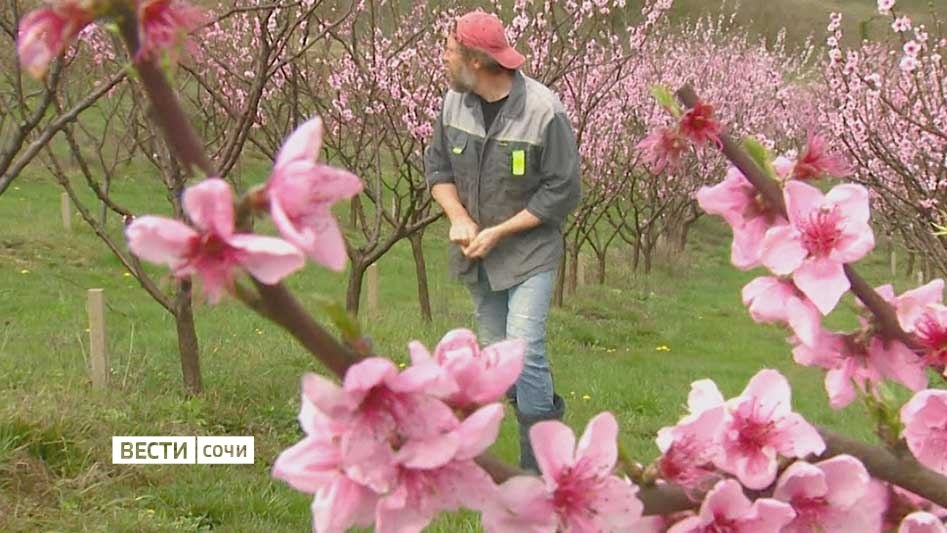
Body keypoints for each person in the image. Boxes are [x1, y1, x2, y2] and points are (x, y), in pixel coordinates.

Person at [424, 10, 581, 473]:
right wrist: (458, 218)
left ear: (474, 60)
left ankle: (537, 470)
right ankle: (548, 421)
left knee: (525, 350)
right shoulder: (453, 105)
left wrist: (499, 230)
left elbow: (562, 189)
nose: (444, 59)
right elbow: (438, 169)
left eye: (450, 51)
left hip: (529, 252)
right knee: (497, 362)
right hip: (478, 256)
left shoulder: (543, 111)